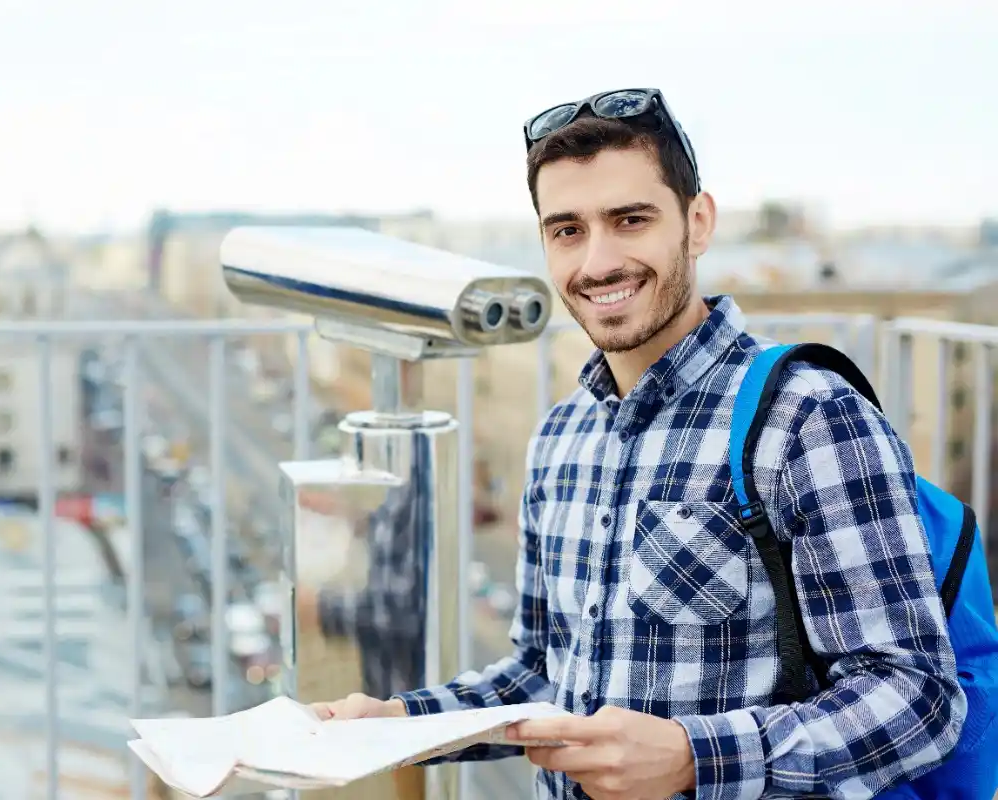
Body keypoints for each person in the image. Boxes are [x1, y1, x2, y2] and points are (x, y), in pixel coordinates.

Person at [309, 88, 966, 799]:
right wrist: (397, 722)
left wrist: (694, 757)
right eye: (567, 230)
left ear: (698, 221)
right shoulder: (560, 438)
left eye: (630, 220)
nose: (597, 262)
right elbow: (542, 675)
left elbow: (919, 698)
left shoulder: (807, 418)